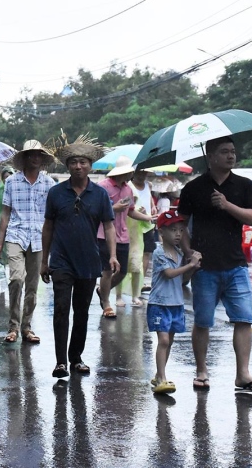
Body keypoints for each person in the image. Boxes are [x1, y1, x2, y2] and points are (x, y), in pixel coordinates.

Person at [178, 136, 252, 392]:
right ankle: (201, 371)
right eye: (224, 152)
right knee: (203, 321)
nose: (231, 156)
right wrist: (189, 252)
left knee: (243, 319)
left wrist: (227, 205)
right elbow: (180, 225)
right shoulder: (193, 188)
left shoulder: (243, 185)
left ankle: (243, 374)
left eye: (233, 151)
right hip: (204, 267)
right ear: (211, 156)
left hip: (235, 264)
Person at [40, 134, 116, 378]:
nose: (78, 166)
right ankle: (60, 361)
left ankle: (76, 358)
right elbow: (48, 226)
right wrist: (44, 261)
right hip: (61, 260)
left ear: (90, 166)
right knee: (61, 308)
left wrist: (112, 256)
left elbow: (110, 225)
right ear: (67, 165)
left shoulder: (100, 194)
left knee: (82, 311)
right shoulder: (56, 193)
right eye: (73, 162)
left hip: (89, 260)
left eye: (83, 162)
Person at [0, 140, 55, 344]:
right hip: (15, 236)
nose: (35, 158)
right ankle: (13, 326)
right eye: (31, 154)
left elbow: (52, 216)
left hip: (38, 238)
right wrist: (0, 243)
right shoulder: (12, 182)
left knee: (32, 286)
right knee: (16, 279)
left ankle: (26, 326)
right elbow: (5, 214)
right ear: (25, 158)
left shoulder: (48, 184)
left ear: (42, 158)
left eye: (38, 154)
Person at [147, 210, 202, 394]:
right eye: (173, 230)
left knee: (168, 341)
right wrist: (190, 265)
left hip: (175, 303)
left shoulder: (179, 253)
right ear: (161, 232)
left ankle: (159, 374)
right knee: (163, 340)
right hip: (160, 303)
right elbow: (169, 274)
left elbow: (182, 278)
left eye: (180, 230)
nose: (178, 234)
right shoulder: (159, 252)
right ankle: (161, 378)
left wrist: (193, 268)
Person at [95, 156, 155, 318]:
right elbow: (94, 210)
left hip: (123, 235)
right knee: (107, 270)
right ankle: (106, 303)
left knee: (122, 271)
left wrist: (148, 218)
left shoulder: (128, 189)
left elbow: (131, 211)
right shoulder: (103, 187)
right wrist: (114, 207)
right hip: (104, 235)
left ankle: (102, 291)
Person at [115, 169, 155, 308]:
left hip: (142, 228)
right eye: (140, 171)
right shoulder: (127, 188)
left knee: (137, 265)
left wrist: (149, 214)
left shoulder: (148, 186)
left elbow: (146, 204)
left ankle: (135, 295)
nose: (142, 174)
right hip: (125, 230)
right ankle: (118, 296)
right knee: (121, 266)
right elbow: (128, 209)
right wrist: (141, 213)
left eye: (145, 171)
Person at [0, 165, 15, 268]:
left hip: (14, 223)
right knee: (1, 244)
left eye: (9, 176)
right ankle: (4, 264)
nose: (7, 179)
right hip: (0, 223)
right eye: (5, 177)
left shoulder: (17, 191)